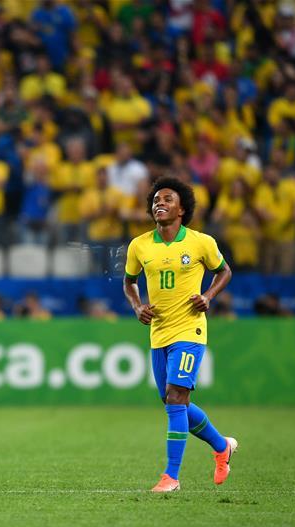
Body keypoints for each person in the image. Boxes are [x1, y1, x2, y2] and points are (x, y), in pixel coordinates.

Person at [123, 176, 236, 493]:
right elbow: (129, 281)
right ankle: (221, 446)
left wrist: (209, 296)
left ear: (182, 209)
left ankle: (170, 477)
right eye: (156, 199)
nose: (160, 202)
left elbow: (224, 271)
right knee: (174, 402)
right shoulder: (140, 245)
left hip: (190, 328)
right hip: (159, 332)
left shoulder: (201, 242)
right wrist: (136, 306)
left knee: (175, 398)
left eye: (168, 198)